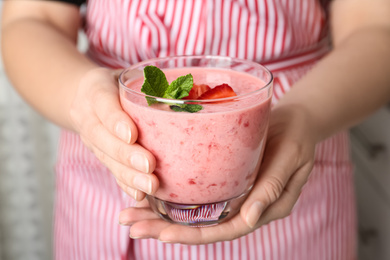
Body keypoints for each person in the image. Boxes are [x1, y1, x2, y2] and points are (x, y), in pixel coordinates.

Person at [2, 0, 390, 259]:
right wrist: (81, 95)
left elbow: (376, 27)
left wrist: (307, 114)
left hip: (288, 140)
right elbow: (32, 20)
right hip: (107, 161)